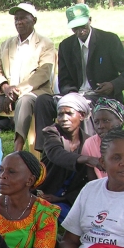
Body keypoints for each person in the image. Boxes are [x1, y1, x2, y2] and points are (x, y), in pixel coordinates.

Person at [33, 4, 124, 138]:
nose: (80, 31)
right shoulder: (66, 46)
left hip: (103, 97)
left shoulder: (109, 40)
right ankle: (45, 147)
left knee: (85, 105)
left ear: (90, 20)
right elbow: (64, 80)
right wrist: (72, 95)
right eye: (75, 27)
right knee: (43, 101)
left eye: (83, 25)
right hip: (74, 95)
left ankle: (86, 146)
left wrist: (112, 85)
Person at [0, 3, 55, 152]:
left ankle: (17, 150)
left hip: (33, 93)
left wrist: (16, 92)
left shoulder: (45, 44)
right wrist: (6, 87)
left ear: (34, 20)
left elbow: (43, 73)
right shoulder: (6, 44)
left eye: (23, 18)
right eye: (16, 19)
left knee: (24, 101)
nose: (19, 22)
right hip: (5, 94)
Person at [38, 93, 96, 221]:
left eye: (69, 113)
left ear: (82, 115)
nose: (64, 118)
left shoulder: (88, 141)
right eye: (60, 114)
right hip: (46, 193)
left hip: (69, 198)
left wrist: (62, 198)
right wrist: (85, 159)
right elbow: (56, 154)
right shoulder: (51, 132)